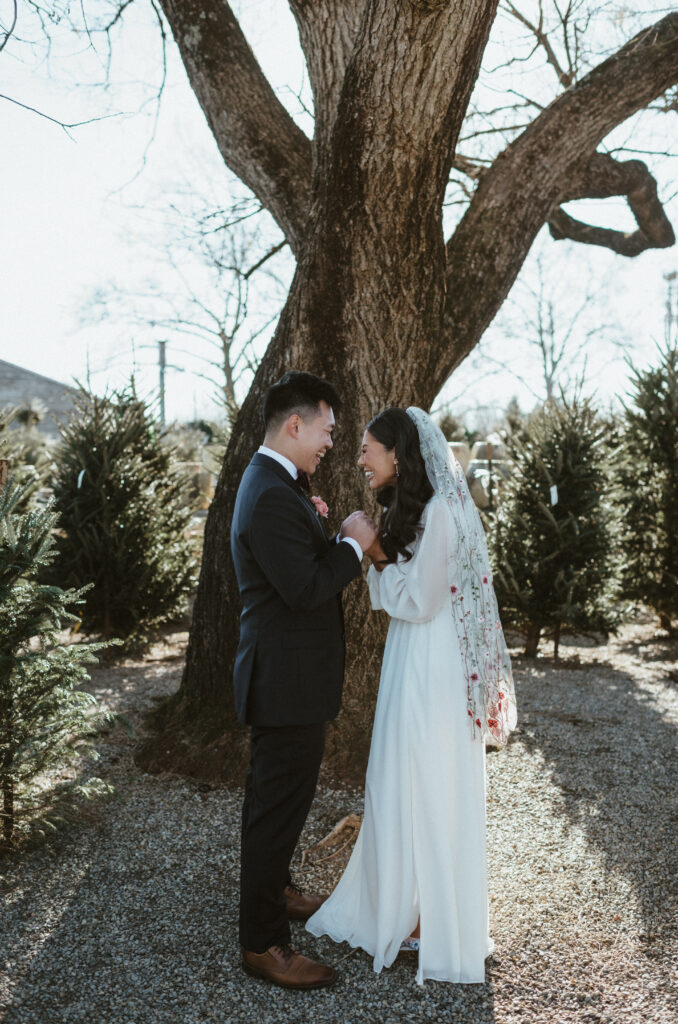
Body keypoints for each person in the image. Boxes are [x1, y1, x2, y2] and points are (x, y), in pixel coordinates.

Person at [306, 406, 517, 985]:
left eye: (368, 449)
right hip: (413, 657)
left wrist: (372, 552)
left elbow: (421, 602)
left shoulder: (445, 511)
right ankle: (404, 905)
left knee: (426, 779)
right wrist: (374, 548)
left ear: (397, 453)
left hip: (433, 666)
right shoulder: (419, 508)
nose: (359, 458)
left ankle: (432, 917)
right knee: (399, 776)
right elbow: (407, 590)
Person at [230, 370, 378, 991]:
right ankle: (263, 943)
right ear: (295, 424)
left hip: (291, 678)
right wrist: (353, 545)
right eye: (326, 430)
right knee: (274, 808)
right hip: (283, 682)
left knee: (283, 803)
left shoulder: (280, 485)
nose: (330, 443)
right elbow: (304, 587)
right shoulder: (269, 493)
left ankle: (279, 889)